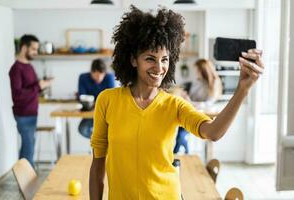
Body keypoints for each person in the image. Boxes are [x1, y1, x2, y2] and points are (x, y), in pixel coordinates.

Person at [89, 6, 264, 200]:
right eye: (150, 58)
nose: (159, 67)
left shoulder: (174, 105)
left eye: (164, 59)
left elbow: (213, 132)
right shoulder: (107, 100)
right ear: (133, 60)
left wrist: (242, 89)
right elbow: (98, 164)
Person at [9, 34, 52, 167]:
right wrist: (39, 86)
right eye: (33, 49)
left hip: (32, 113)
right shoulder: (16, 69)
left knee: (28, 147)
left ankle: (23, 182)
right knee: (29, 149)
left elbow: (32, 89)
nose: (36, 52)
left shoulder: (30, 66)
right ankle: (29, 184)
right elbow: (17, 95)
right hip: (23, 114)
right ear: (23, 48)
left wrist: (42, 85)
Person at [174, 59, 222, 154]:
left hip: (204, 113)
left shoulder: (214, 82)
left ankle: (179, 153)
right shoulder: (198, 81)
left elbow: (209, 103)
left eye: (197, 70)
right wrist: (186, 97)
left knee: (181, 134)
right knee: (180, 131)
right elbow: (192, 97)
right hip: (192, 109)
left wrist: (190, 102)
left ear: (203, 70)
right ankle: (180, 153)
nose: (196, 73)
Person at [78, 59, 115, 139]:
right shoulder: (83, 78)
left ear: (105, 73)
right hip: (90, 113)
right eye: (96, 74)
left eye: (101, 74)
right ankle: (100, 144)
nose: (99, 77)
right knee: (83, 129)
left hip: (106, 114)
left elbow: (112, 98)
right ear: (91, 72)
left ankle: (102, 145)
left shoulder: (109, 77)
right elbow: (82, 96)